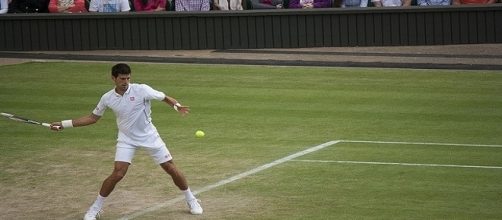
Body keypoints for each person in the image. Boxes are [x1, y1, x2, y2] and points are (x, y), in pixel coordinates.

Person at [50, 63, 203, 220]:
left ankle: (191, 199)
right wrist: (64, 124)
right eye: (122, 78)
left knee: (170, 168)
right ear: (113, 78)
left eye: (128, 78)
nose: (125, 82)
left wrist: (177, 106)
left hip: (149, 136)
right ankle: (95, 208)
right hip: (127, 139)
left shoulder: (141, 89)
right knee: (118, 173)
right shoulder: (107, 98)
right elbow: (92, 118)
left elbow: (164, 97)